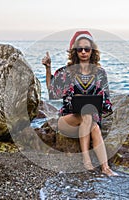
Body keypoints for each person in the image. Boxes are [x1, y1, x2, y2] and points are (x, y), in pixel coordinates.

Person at [42, 31, 117, 176]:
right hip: (68, 121)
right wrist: (48, 68)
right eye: (79, 49)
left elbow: (106, 100)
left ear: (92, 51)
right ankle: (87, 161)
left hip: (89, 124)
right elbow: (52, 92)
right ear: (74, 51)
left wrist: (101, 106)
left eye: (87, 49)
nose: (83, 52)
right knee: (87, 116)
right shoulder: (66, 72)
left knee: (92, 124)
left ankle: (105, 168)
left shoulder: (100, 73)